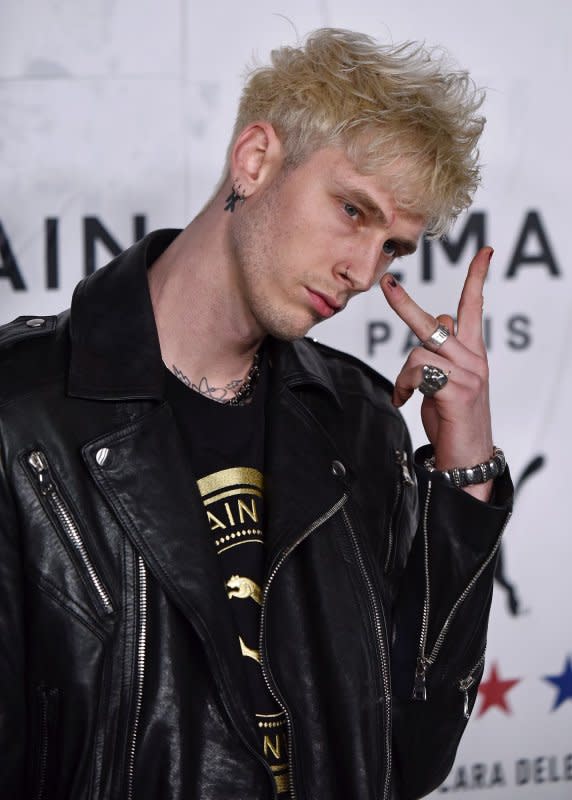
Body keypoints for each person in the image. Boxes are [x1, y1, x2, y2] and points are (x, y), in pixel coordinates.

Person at [0, 27, 512, 800]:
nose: (363, 271)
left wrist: (465, 472)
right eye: (351, 210)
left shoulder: (359, 422)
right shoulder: (19, 413)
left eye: (394, 250)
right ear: (256, 160)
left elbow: (407, 753)